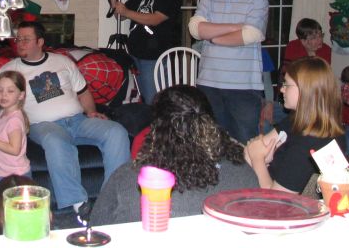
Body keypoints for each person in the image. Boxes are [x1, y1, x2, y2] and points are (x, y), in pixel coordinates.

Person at [0, 21, 130, 214]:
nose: (20, 43)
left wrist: (91, 111)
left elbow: (83, 92)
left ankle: (114, 197)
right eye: (18, 39)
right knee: (55, 141)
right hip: (44, 125)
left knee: (116, 132)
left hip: (78, 121)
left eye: (26, 39)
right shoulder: (10, 71)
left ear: (40, 42)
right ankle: (78, 203)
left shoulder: (63, 62)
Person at [89, 85, 258, 226]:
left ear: (156, 128)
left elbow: (97, 230)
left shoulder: (128, 178)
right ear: (212, 122)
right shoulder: (243, 172)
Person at [188, 0, 269, 143]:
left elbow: (250, 34)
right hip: (209, 83)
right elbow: (195, 29)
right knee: (210, 143)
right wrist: (234, 27)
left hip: (243, 87)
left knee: (244, 144)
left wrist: (213, 37)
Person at [245, 57, 345, 193]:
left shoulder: (311, 142)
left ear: (306, 90)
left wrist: (258, 159)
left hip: (278, 202)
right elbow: (250, 151)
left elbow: (277, 199)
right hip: (264, 184)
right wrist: (259, 157)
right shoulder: (296, 120)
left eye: (287, 84)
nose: (282, 89)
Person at [101, 0, 180, 105]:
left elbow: (155, 19)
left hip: (154, 58)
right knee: (136, 100)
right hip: (133, 55)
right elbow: (120, 15)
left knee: (153, 101)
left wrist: (126, 12)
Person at [0, 70, 31, 191]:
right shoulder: (3, 113)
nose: (3, 95)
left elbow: (15, 149)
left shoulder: (14, 120)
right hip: (5, 174)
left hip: (15, 176)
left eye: (10, 91)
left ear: (21, 95)